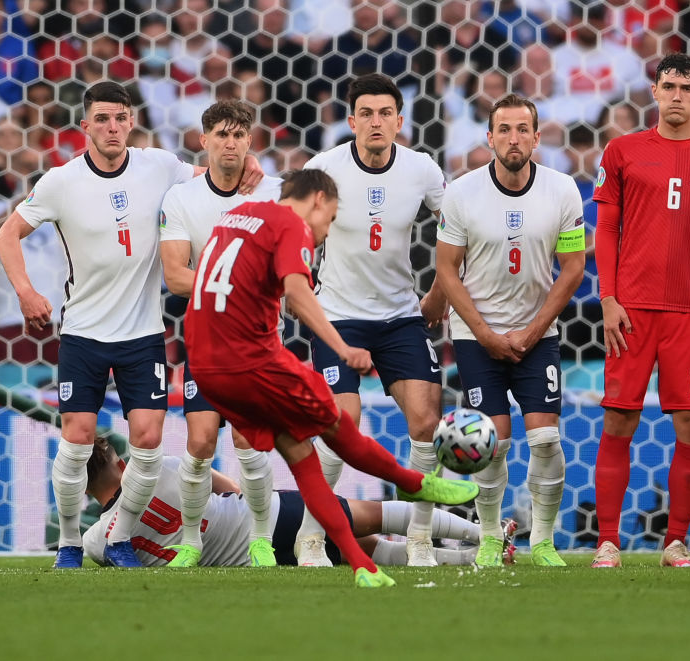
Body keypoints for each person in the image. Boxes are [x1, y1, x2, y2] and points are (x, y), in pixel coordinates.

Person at [0, 81, 263, 569]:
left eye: (119, 118)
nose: (112, 127)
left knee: (147, 439)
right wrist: (27, 291)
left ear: (131, 121)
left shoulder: (158, 165)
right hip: (83, 330)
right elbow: (7, 233)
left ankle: (118, 536)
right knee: (76, 436)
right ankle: (70, 542)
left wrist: (248, 163)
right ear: (86, 126)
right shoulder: (61, 181)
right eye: (102, 119)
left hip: (142, 333)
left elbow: (213, 174)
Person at [182, 169, 479, 588]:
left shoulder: (236, 216)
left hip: (207, 368)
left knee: (302, 456)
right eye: (332, 217)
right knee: (342, 432)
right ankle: (415, 483)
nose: (325, 232)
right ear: (318, 200)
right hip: (252, 363)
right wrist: (342, 347)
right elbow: (299, 291)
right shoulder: (291, 225)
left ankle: (359, 563)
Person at [293, 73, 449, 567]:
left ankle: (421, 539)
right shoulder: (323, 168)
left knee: (426, 422)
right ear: (352, 119)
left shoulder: (422, 170)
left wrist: (438, 297)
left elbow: (458, 234)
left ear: (399, 121)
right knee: (343, 426)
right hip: (338, 316)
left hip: (401, 315)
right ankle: (312, 536)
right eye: (367, 113)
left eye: (386, 113)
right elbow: (290, 229)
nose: (376, 122)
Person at [435, 93, 586, 567]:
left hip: (537, 336)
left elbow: (573, 269)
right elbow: (446, 270)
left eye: (523, 129)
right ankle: (489, 538)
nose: (514, 138)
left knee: (545, 441)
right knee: (491, 446)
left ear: (537, 137)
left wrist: (534, 329)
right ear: (490, 137)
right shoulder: (461, 192)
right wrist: (484, 333)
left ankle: (542, 541)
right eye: (505, 129)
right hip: (477, 338)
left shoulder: (563, 190)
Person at [591, 52, 690, 570]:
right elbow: (605, 229)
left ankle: (676, 542)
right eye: (668, 85)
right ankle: (607, 542)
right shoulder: (623, 150)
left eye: (686, 88)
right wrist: (607, 298)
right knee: (619, 421)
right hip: (632, 311)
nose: (675, 95)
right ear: (654, 91)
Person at [159, 100, 284, 567]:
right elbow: (174, 275)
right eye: (221, 135)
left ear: (250, 142)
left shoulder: (272, 193)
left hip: (258, 338)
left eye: (238, 136)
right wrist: (238, 280)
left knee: (251, 442)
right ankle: (190, 540)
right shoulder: (181, 199)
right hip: (208, 338)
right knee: (200, 443)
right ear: (203, 140)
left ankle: (261, 540)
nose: (229, 143)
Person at [82, 438, 515, 567]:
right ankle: (484, 534)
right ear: (121, 464)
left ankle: (474, 557)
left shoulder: (96, 541)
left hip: (246, 562)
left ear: (83, 491)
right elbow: (221, 483)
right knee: (363, 519)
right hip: (260, 518)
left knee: (360, 551)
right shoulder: (160, 467)